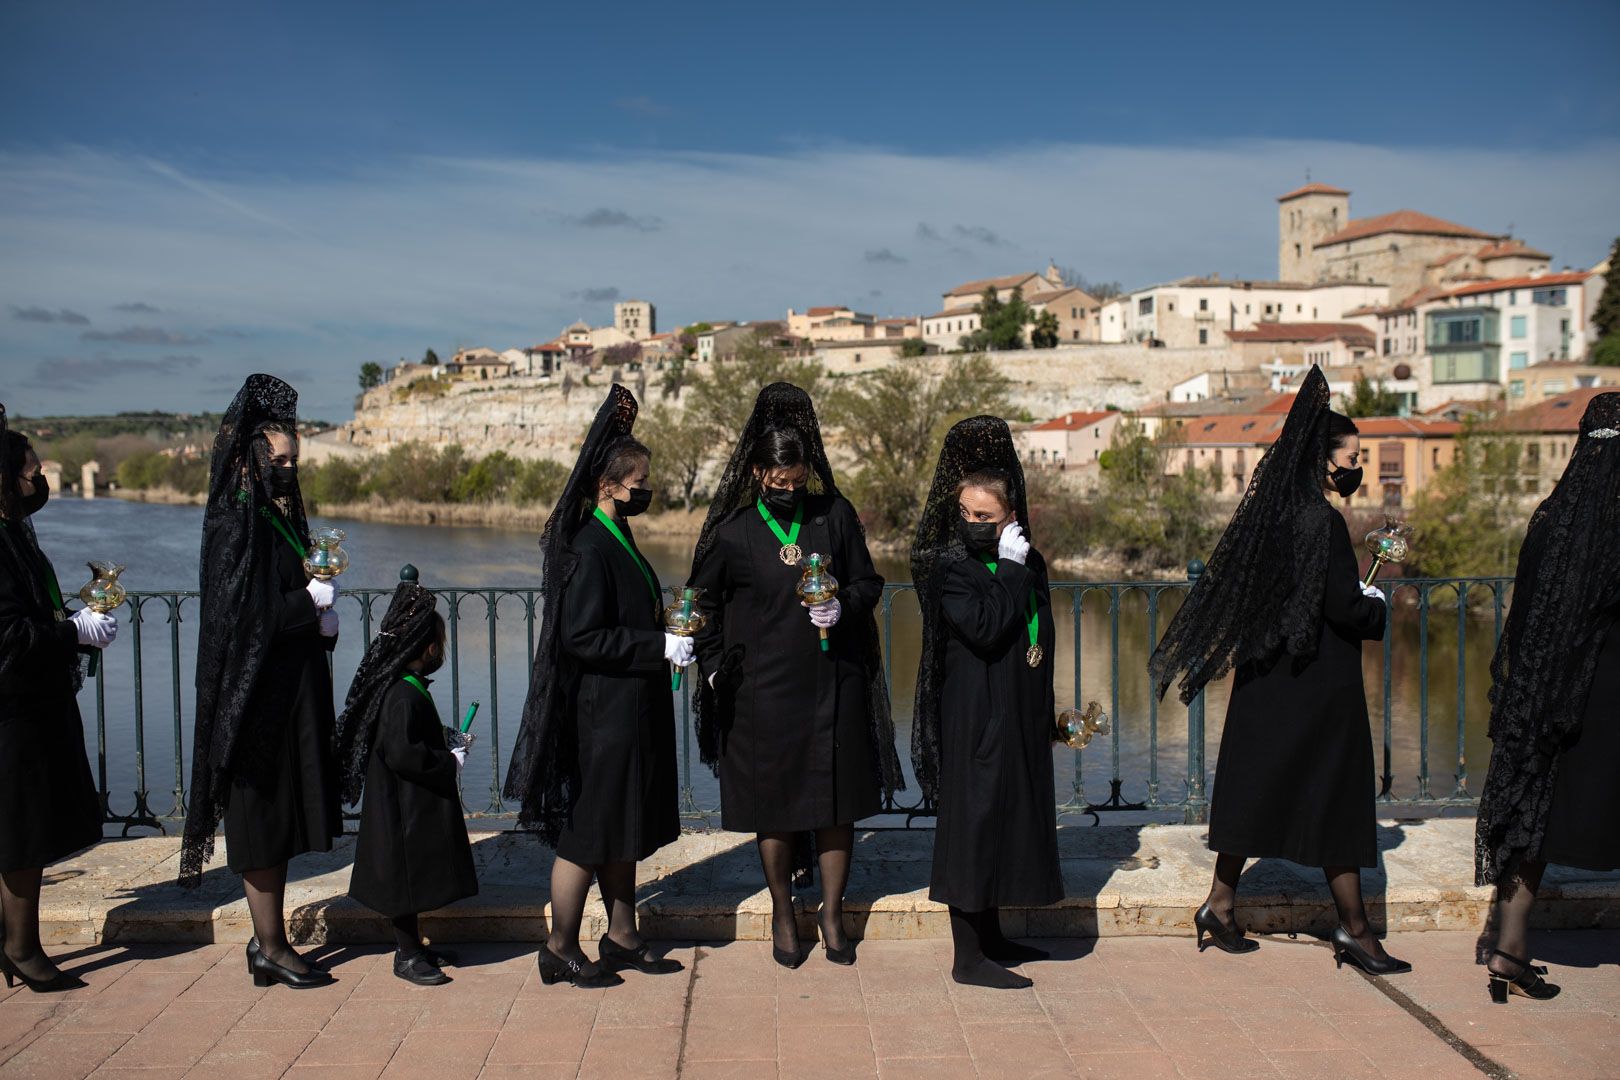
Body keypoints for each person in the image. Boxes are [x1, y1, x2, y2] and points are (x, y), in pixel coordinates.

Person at [1148, 365, 1408, 975]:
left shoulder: (1274, 512)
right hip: (1319, 684)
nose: (1357, 465)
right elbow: (1341, 606)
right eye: (1353, 455)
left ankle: (1220, 903)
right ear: (1324, 461)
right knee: (1336, 797)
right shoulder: (1322, 520)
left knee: (1255, 786)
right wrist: (1376, 596)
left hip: (1268, 677)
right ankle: (1356, 931)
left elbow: (1287, 593)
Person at [687, 382, 905, 968]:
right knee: (775, 806)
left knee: (837, 806)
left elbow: (869, 582)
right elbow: (698, 603)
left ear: (809, 471)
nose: (788, 490)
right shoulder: (733, 533)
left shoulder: (834, 515)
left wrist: (846, 606)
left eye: (797, 481)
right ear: (759, 472)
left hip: (834, 685)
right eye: (778, 482)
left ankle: (832, 914)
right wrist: (710, 668)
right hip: (762, 694)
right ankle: (784, 911)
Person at [505, 385, 687, 988]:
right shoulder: (588, 546)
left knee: (623, 825)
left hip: (630, 708)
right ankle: (558, 946)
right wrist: (655, 645)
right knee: (588, 833)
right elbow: (583, 637)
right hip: (604, 712)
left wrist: (668, 633)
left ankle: (622, 936)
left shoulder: (619, 536)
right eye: (638, 481)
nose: (645, 490)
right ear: (609, 485)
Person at [180, 374, 343, 989]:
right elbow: (244, 620)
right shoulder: (232, 526)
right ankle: (270, 946)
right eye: (278, 460)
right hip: (252, 701)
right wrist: (308, 603)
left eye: (294, 461)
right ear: (250, 459)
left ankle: (267, 943)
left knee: (280, 817)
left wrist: (322, 621)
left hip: (288, 690)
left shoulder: (275, 519)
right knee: (261, 820)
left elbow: (283, 602)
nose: (287, 469)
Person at [1475, 392, 1620, 1004]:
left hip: (1548, 693)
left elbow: (1529, 611)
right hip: (1608, 687)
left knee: (1534, 818)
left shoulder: (1551, 518)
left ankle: (1508, 950)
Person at [911, 416, 1063, 990]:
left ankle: (993, 937)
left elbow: (1034, 637)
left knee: (1006, 820)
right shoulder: (952, 567)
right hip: (974, 716)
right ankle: (967, 957)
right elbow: (985, 627)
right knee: (973, 826)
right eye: (968, 516)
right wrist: (1014, 571)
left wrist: (1043, 712)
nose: (975, 525)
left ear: (1012, 517)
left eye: (987, 517)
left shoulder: (1026, 560)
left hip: (1017, 713)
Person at [0, 404, 115, 992]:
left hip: (28, 704)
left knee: (22, 830)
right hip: (13, 711)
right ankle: (20, 948)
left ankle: (16, 942)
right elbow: (9, 634)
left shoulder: (14, 534)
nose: (39, 482)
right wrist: (72, 631)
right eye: (31, 473)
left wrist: (70, 619)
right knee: (21, 834)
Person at [337, 581, 477, 986]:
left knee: (412, 880)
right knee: (404, 883)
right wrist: (447, 761)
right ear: (426, 647)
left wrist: (443, 741)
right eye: (438, 642)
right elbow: (402, 752)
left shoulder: (403, 686)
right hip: (400, 810)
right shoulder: (401, 694)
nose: (441, 650)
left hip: (408, 805)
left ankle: (415, 946)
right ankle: (406, 955)